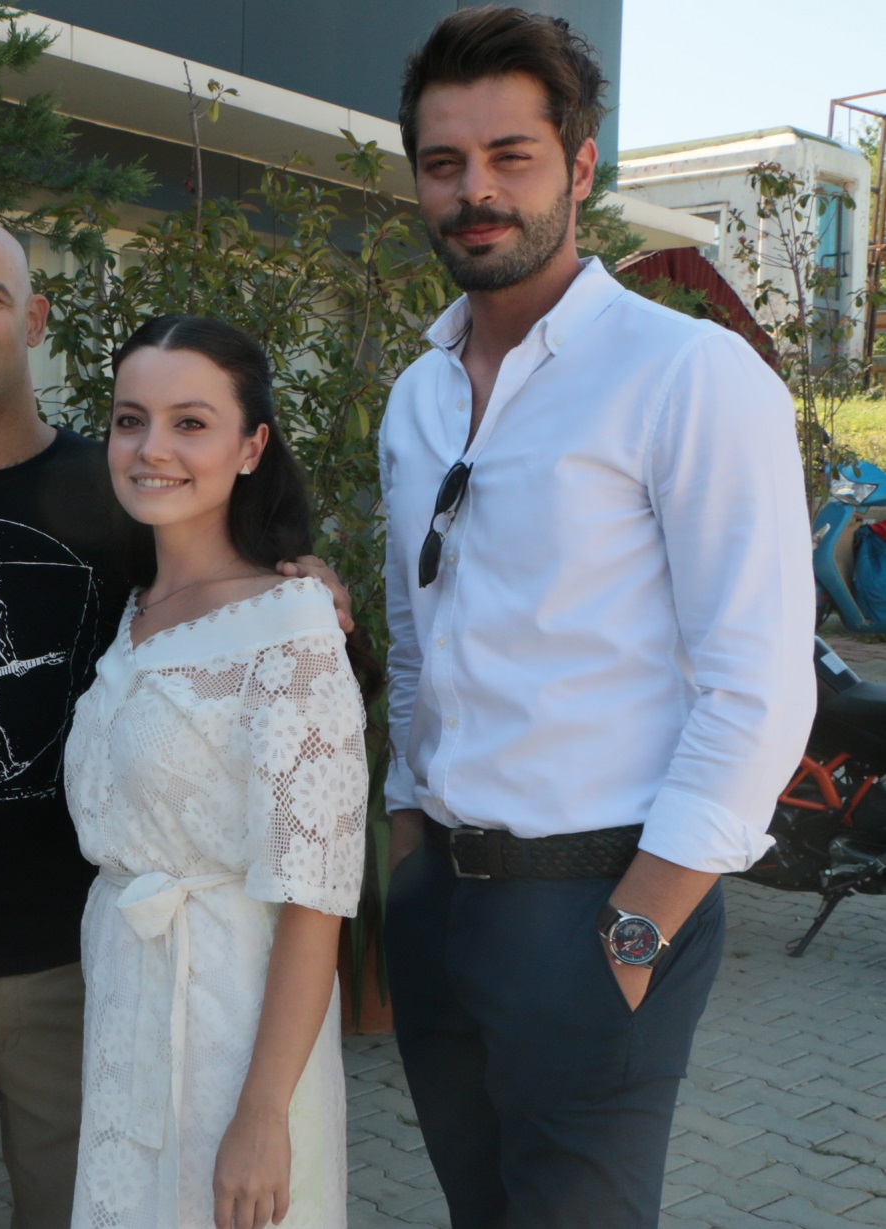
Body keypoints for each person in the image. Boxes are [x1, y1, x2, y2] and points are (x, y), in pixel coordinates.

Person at [0, 211, 349, 1229]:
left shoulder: (119, 498)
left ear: (35, 319)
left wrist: (300, 582)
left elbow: (227, 612)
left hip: (83, 964)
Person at [379, 10, 814, 1228]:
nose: (473, 191)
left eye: (508, 156)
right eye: (442, 162)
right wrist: (408, 849)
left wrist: (636, 928)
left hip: (596, 903)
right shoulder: (415, 396)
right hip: (440, 903)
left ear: (578, 168)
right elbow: (416, 643)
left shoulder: (686, 374)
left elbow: (758, 682)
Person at [62, 316, 369, 1229]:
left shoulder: (292, 624)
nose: (151, 448)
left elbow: (313, 896)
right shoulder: (131, 609)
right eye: (129, 420)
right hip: (127, 997)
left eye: (189, 423)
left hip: (235, 1022)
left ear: (250, 447)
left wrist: (263, 1113)